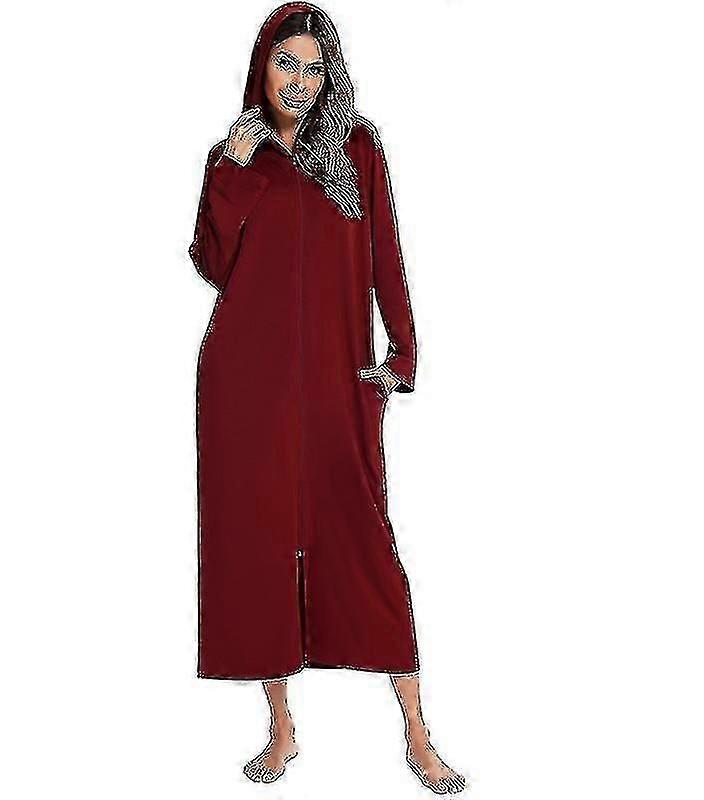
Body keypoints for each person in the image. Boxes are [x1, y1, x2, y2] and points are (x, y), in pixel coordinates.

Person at [189, 3, 465, 794]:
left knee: (366, 549)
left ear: (329, 75)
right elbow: (212, 263)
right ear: (262, 66)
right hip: (246, 388)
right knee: (258, 552)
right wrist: (234, 170)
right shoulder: (232, 154)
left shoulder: (357, 148)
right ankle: (281, 729)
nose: (300, 82)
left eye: (314, 68)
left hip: (338, 385)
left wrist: (401, 356)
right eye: (287, 64)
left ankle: (418, 734)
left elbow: (386, 254)